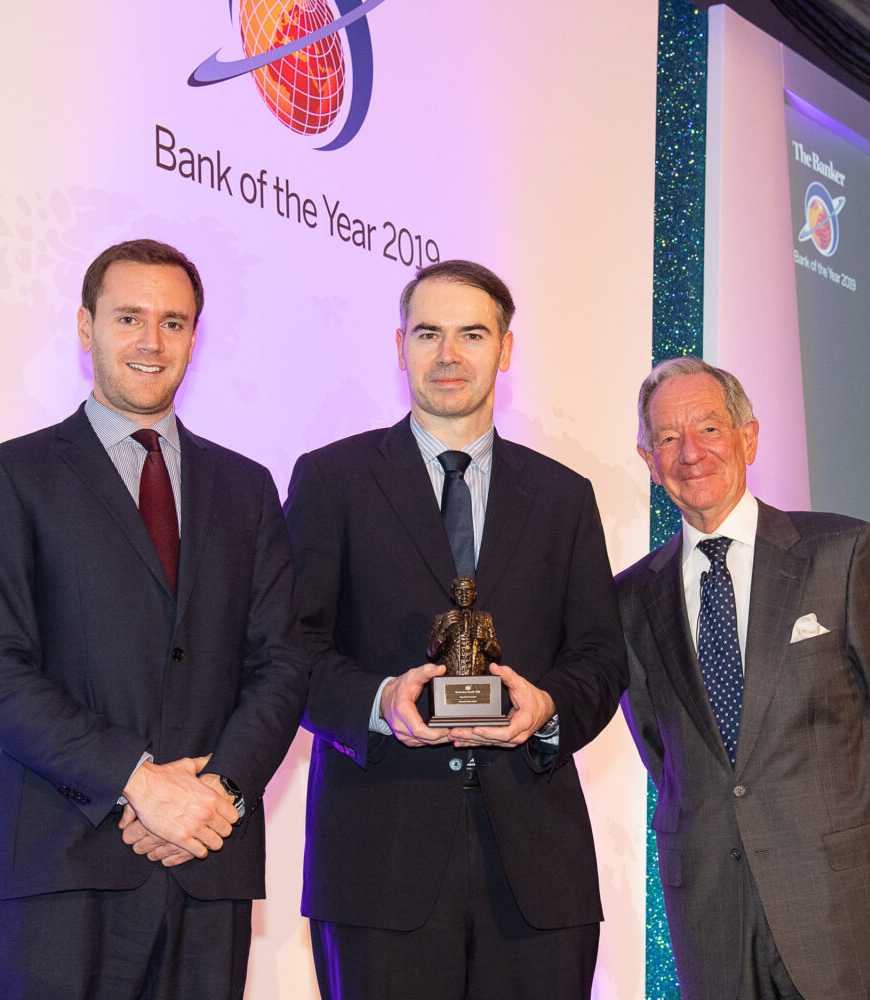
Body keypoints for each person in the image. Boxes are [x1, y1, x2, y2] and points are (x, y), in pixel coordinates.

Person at [0, 239, 308, 999]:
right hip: (60, 869)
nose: (152, 340)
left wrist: (217, 795)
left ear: (194, 338)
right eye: (128, 318)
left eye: (173, 322)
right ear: (86, 326)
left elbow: (282, 663)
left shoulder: (247, 488)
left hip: (207, 865)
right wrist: (139, 783)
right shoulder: (13, 475)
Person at [284, 260, 627, 999]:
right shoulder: (331, 480)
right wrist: (381, 702)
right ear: (399, 345)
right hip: (378, 863)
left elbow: (601, 656)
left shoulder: (564, 496)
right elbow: (291, 648)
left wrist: (546, 708)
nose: (448, 354)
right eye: (428, 334)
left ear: (506, 349)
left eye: (472, 334)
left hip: (539, 870)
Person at [616, 357, 870, 1000]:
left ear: (749, 438)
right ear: (648, 461)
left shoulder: (844, 552)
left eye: (709, 428)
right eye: (667, 438)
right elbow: (667, 754)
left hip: (849, 912)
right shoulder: (630, 598)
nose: (690, 453)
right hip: (714, 920)